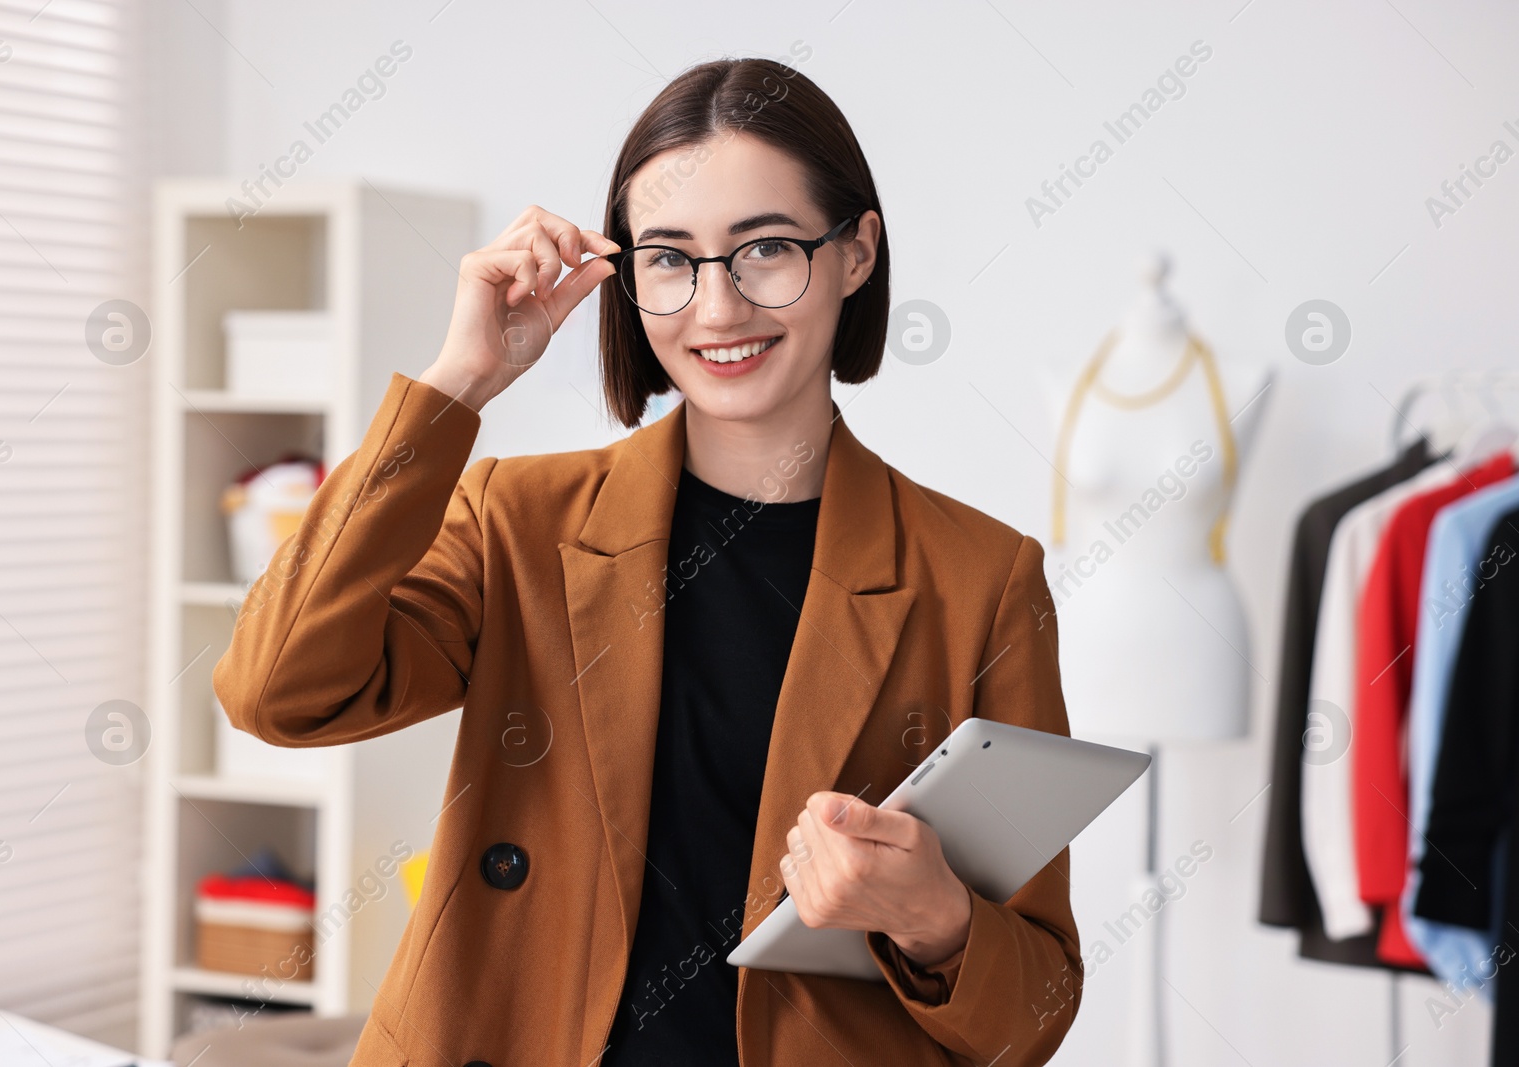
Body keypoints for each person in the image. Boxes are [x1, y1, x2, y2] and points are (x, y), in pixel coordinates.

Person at [214, 56, 1080, 1067]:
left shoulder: (978, 577)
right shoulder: (519, 519)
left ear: (856, 252)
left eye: (764, 248)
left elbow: (1035, 1011)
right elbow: (276, 689)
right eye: (670, 258)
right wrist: (459, 382)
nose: (716, 308)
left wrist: (936, 916)